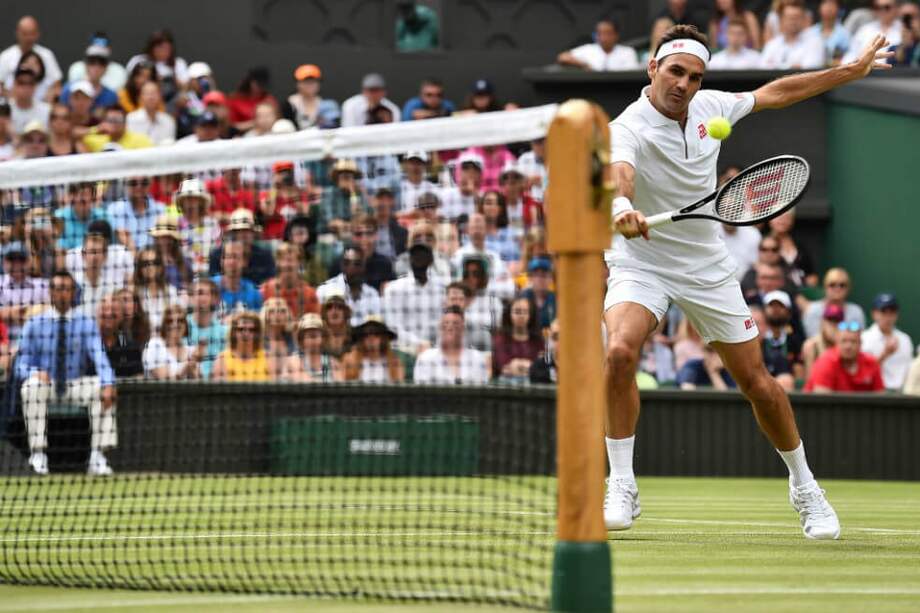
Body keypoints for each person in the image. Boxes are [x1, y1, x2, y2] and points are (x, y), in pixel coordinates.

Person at [603, 24, 893, 539]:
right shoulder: (627, 127)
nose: (684, 85)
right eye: (675, 72)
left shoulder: (712, 106)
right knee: (620, 354)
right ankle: (622, 480)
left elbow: (779, 91)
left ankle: (805, 487)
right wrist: (623, 207)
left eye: (694, 76)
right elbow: (619, 175)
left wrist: (850, 70)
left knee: (759, 385)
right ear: (653, 69)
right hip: (640, 260)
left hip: (707, 266)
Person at [17, 271, 116, 476]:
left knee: (102, 386)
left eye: (66, 289)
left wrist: (108, 383)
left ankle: (97, 456)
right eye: (57, 289)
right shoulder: (34, 324)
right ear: (50, 292)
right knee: (30, 387)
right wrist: (35, 373)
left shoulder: (86, 323)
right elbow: (20, 364)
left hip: (75, 384)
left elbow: (100, 357)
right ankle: (38, 454)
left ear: (73, 293)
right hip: (47, 386)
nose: (62, 294)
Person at [382, 236, 444, 355]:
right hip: (403, 350)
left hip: (435, 350)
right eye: (415, 255)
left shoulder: (441, 289)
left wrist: (431, 347)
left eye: (423, 255)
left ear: (430, 259)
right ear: (410, 259)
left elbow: (442, 323)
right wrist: (419, 344)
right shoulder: (394, 289)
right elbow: (392, 326)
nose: (419, 258)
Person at [414, 306, 491, 384]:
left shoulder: (477, 358)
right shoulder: (425, 358)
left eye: (455, 323)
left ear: (463, 328)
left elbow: (481, 391)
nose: (450, 327)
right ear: (440, 328)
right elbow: (421, 392)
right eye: (446, 323)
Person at [805, 322, 885, 392]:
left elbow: (880, 398)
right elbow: (821, 401)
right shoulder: (825, 362)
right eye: (844, 341)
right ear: (836, 343)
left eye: (853, 341)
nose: (848, 346)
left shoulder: (871, 362)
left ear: (860, 344)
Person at [0, 16, 62, 103]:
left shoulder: (47, 55)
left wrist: (48, 100)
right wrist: (13, 99)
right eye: (25, 34)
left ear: (38, 34)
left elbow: (57, 85)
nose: (28, 38)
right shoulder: (5, 56)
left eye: (32, 33)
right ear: (17, 33)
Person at [316, 245, 382, 326]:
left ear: (364, 266)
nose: (352, 268)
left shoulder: (372, 294)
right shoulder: (325, 290)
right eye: (347, 263)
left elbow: (377, 325)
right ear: (342, 265)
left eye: (357, 264)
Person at [860, 293, 914, 391]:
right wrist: (885, 354)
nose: (888, 317)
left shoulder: (905, 339)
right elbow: (863, 373)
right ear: (874, 314)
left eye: (892, 312)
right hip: (876, 393)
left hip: (903, 393)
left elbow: (910, 371)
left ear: (897, 314)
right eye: (883, 312)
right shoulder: (864, 338)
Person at [207, 208, 276, 285]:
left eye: (247, 231)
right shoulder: (217, 255)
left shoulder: (265, 255)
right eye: (238, 231)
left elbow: (271, 281)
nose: (243, 235)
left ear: (253, 233)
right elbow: (213, 284)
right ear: (232, 234)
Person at [0, 243, 49, 345]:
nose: (17, 264)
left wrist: (27, 313)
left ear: (29, 262)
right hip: (4, 346)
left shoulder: (42, 284)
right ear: (4, 262)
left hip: (36, 344)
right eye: (12, 259)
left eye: (21, 259)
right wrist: (10, 313)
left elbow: (52, 310)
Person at [125, 30, 189, 105]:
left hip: (169, 101)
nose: (164, 51)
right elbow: (129, 82)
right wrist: (152, 79)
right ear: (152, 47)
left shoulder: (178, 63)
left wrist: (171, 80)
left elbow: (185, 86)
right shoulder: (138, 60)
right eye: (160, 47)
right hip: (138, 97)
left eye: (167, 48)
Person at [107, 174, 166, 253]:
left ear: (150, 184)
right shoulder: (115, 209)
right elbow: (126, 242)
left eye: (144, 182)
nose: (139, 187)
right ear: (125, 184)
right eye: (133, 183)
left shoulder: (160, 210)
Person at [142, 303, 202, 380]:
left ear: (185, 325)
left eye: (180, 320)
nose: (175, 324)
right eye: (170, 321)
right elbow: (164, 382)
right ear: (164, 325)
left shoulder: (191, 349)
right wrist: (186, 367)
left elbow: (199, 381)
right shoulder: (154, 345)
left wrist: (194, 369)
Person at [260, 243, 320, 319]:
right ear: (277, 263)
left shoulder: (309, 293)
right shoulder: (265, 290)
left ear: (299, 263)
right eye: (283, 260)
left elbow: (315, 323)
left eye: (291, 260)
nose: (287, 265)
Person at [760, 0, 826, 69]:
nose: (793, 22)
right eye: (789, 18)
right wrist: (793, 66)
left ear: (803, 19)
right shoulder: (772, 45)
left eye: (796, 18)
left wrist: (776, 65)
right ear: (781, 20)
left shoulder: (815, 42)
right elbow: (762, 68)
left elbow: (811, 69)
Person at [491, 296, 543, 383]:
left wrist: (517, 365)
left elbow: (540, 368)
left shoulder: (538, 340)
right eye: (517, 312)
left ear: (530, 315)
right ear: (509, 314)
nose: (521, 316)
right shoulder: (500, 339)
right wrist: (529, 366)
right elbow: (504, 367)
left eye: (525, 312)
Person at [802, 268, 866, 338]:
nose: (837, 288)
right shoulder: (813, 310)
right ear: (825, 287)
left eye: (842, 285)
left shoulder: (856, 311)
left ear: (848, 288)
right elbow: (814, 339)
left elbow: (858, 339)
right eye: (832, 285)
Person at [557, 19, 640, 71]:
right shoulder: (588, 49)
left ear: (616, 35)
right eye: (599, 34)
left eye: (608, 33)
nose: (603, 38)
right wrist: (584, 65)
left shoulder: (628, 52)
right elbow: (562, 57)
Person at [341, 315, 405, 383]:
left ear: (383, 338)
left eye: (376, 333)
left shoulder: (395, 363)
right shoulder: (350, 361)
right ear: (362, 338)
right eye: (367, 333)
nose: (371, 337)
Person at [759, 291, 803, 388]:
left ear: (789, 312)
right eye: (771, 306)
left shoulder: (795, 340)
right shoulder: (758, 339)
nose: (775, 309)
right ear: (764, 310)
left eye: (780, 306)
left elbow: (799, 372)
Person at [186, 278, 227, 380]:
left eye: (207, 294)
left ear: (215, 300)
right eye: (199, 293)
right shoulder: (181, 326)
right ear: (190, 298)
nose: (202, 298)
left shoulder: (225, 331)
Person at [133, 246, 183, 330]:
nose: (150, 267)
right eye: (145, 263)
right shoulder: (134, 294)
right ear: (140, 268)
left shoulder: (171, 292)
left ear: (160, 267)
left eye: (154, 262)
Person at [211, 311, 270, 382]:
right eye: (241, 329)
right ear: (233, 333)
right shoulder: (222, 360)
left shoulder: (268, 358)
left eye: (251, 330)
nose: (246, 333)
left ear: (257, 333)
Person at [59, 44, 118, 112]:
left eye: (102, 63)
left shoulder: (111, 96)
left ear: (107, 67)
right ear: (85, 65)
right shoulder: (68, 89)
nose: (96, 67)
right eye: (92, 62)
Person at [97, 292, 143, 379]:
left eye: (114, 310)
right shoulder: (87, 344)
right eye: (105, 309)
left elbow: (139, 379)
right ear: (97, 313)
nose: (109, 313)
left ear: (121, 316)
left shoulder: (131, 348)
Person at [281, 64, 340, 130]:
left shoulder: (327, 104)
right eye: (306, 81)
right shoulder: (289, 104)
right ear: (298, 84)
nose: (310, 85)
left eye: (313, 81)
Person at [284, 313, 339, 382]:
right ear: (301, 340)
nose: (312, 341)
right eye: (309, 336)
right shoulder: (291, 362)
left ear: (323, 339)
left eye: (315, 336)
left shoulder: (333, 363)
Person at [212, 240, 263, 315]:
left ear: (245, 262)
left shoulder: (253, 292)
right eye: (228, 257)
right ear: (222, 261)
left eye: (236, 257)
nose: (232, 262)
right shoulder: (209, 287)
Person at [802, 302, 844, 381]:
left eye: (837, 321)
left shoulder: (845, 344)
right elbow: (810, 380)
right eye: (830, 321)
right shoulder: (812, 345)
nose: (833, 325)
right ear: (823, 322)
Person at [84, 104, 152, 153]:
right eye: (110, 120)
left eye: (118, 120)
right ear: (104, 122)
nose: (114, 124)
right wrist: (95, 130)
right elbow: (74, 134)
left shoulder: (141, 141)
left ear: (125, 124)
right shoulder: (95, 139)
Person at [228, 67, 277, 133]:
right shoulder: (236, 100)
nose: (260, 87)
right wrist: (256, 123)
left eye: (262, 84)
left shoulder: (269, 99)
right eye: (257, 84)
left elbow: (277, 120)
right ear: (250, 82)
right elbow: (232, 126)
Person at [149, 215, 193, 290]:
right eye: (162, 236)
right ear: (156, 238)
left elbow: (189, 286)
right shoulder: (149, 259)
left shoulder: (184, 262)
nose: (165, 241)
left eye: (168, 237)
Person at [126, 81, 175, 145]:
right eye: (147, 93)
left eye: (154, 93)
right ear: (140, 97)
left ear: (160, 97)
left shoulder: (168, 120)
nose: (151, 97)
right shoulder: (131, 119)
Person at [261, 297, 295, 380]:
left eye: (282, 311)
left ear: (287, 315)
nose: (277, 314)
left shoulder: (294, 337)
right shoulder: (258, 340)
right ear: (265, 315)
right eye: (272, 311)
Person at [809, 0, 852, 64]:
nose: (829, 7)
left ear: (838, 9)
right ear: (819, 8)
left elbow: (851, 55)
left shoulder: (845, 33)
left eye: (832, 4)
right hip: (812, 71)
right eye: (825, 4)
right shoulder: (810, 32)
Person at [8, 68, 49, 135]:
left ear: (35, 86)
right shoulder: (4, 110)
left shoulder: (47, 110)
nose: (26, 87)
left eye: (30, 83)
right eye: (21, 83)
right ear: (14, 85)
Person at [521, 256, 557, 330]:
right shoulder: (522, 297)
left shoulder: (556, 300)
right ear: (530, 278)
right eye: (536, 275)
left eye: (544, 276)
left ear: (551, 279)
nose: (540, 279)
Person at [319, 288, 353, 359]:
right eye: (329, 307)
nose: (334, 311)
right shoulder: (318, 337)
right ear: (324, 313)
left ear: (346, 312)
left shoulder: (355, 336)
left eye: (339, 307)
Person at [529, 319, 560, 384]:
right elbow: (535, 374)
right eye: (555, 337)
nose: (559, 342)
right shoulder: (539, 365)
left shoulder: (579, 365)